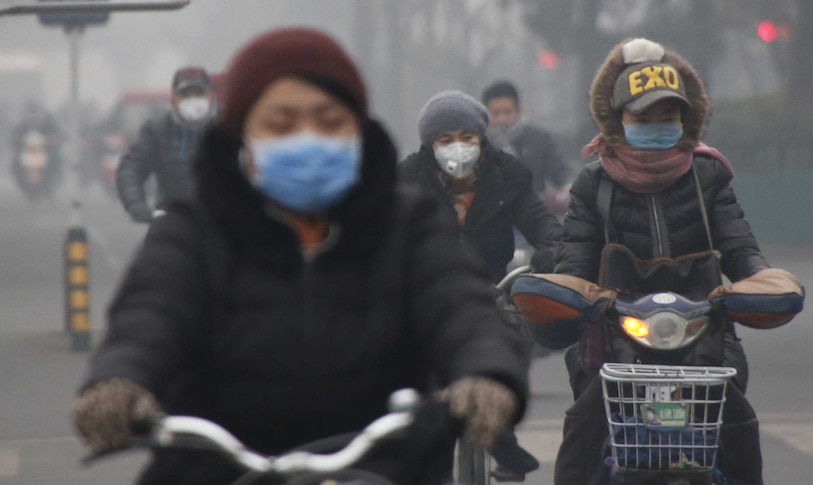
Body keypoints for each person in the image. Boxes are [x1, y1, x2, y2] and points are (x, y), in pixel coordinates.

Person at [71, 28, 528, 485]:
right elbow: (148, 316)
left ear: (358, 132)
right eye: (281, 124)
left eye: (329, 121)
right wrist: (118, 380)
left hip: (383, 468)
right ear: (241, 139)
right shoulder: (192, 230)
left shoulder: (409, 225)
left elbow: (462, 309)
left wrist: (485, 373)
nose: (307, 139)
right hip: (217, 469)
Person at [551, 38, 782, 484]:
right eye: (644, 117)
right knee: (586, 422)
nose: (657, 125)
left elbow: (740, 247)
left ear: (686, 117)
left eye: (668, 115)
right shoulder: (592, 183)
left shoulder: (709, 174)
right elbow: (572, 265)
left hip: (705, 336)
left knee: (736, 422)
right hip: (615, 341)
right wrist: (562, 298)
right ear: (618, 119)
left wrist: (764, 281)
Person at [399, 90, 562, 482]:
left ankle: (496, 428)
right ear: (429, 144)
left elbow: (543, 225)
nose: (458, 147)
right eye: (445, 139)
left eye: (466, 137)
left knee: (500, 350)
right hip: (426, 292)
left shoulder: (508, 175)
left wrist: (552, 254)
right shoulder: (406, 180)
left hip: (489, 290)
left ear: (480, 138)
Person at [115, 66, 217, 223]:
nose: (193, 100)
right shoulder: (158, 131)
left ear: (210, 97)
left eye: (199, 94)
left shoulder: (226, 129)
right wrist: (137, 206)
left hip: (218, 223)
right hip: (170, 220)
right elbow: (131, 169)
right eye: (186, 95)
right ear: (174, 99)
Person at [481, 80, 572, 217]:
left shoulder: (538, 139)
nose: (501, 119)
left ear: (518, 110)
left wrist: (568, 188)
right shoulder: (479, 142)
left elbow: (559, 170)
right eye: (495, 113)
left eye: (507, 112)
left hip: (533, 216)